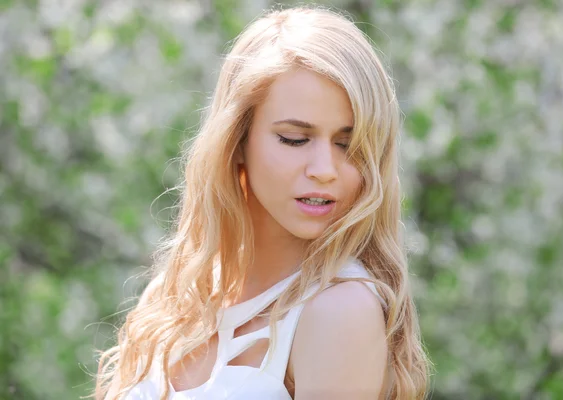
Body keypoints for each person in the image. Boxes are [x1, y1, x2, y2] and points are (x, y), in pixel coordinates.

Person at [94, 5, 431, 400]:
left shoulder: (340, 310)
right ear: (237, 141)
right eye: (294, 139)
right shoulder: (178, 299)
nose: (325, 169)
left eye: (348, 145)